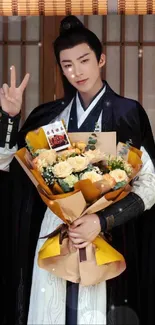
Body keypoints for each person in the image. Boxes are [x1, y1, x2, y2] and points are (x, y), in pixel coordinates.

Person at [0, 15, 155, 325]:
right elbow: (9, 166)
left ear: (101, 59)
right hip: (53, 232)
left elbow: (149, 184)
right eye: (67, 64)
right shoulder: (50, 116)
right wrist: (11, 119)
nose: (76, 71)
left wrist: (101, 220)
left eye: (84, 60)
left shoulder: (127, 112)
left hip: (108, 234)